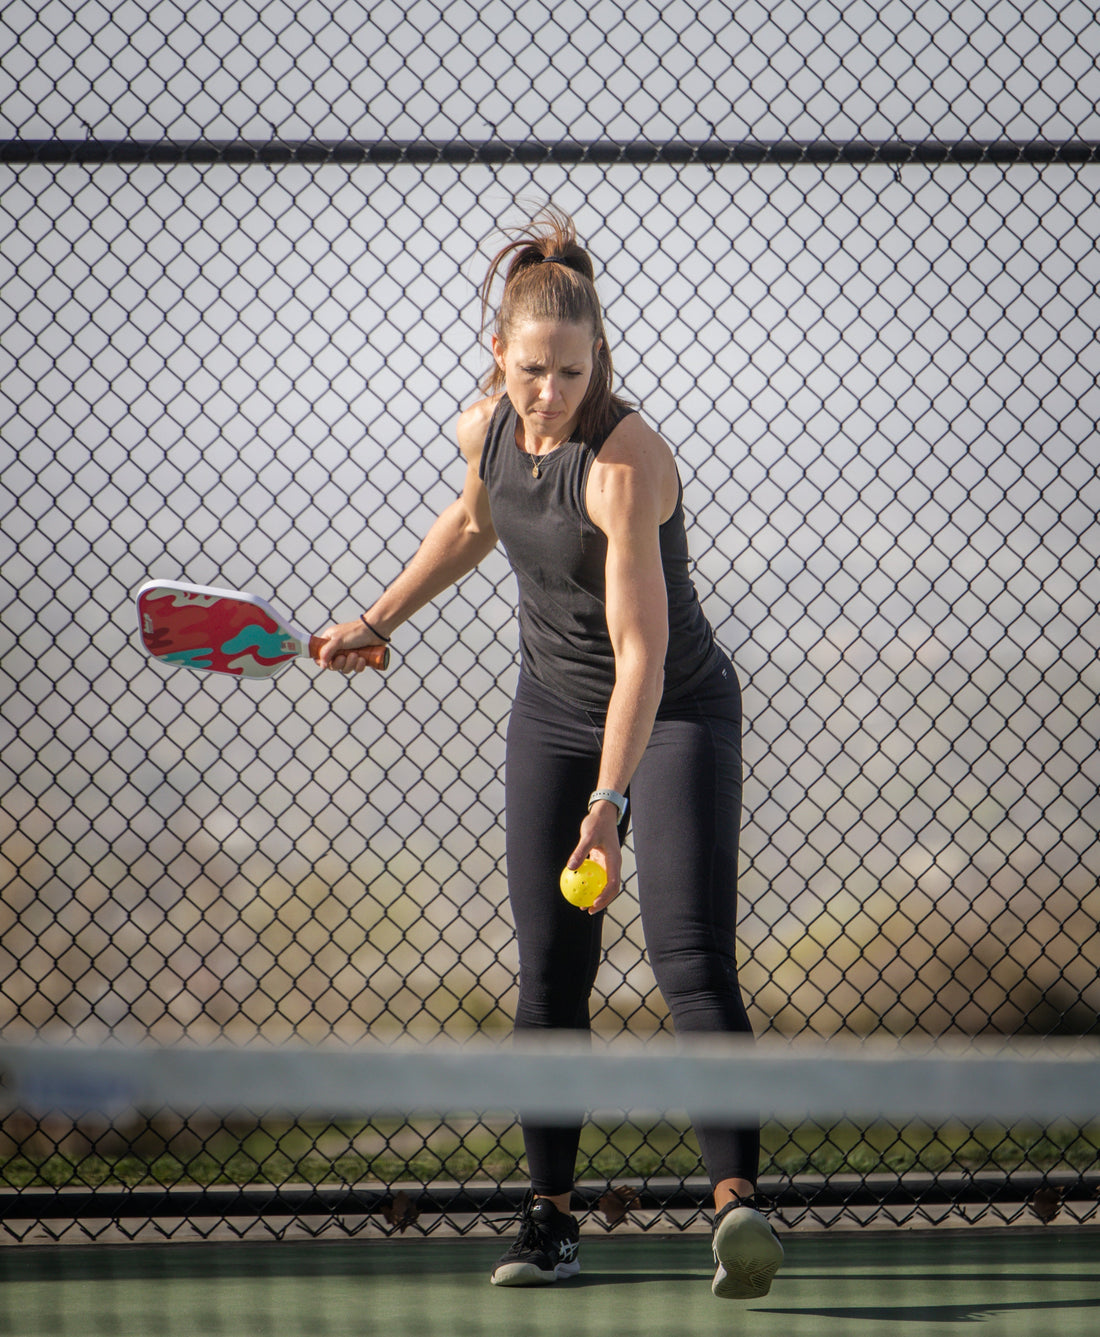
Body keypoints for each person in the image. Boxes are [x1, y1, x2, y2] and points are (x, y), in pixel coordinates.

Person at [317, 206, 783, 1300]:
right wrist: (378, 618)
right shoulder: (483, 425)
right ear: (500, 355)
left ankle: (737, 1211)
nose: (549, 393)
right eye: (532, 370)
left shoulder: (625, 465)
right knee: (549, 972)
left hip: (670, 712)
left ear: (595, 359)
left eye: (569, 373)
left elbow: (639, 652)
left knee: (686, 957)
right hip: (549, 709)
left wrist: (608, 803)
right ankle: (550, 1223)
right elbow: (473, 523)